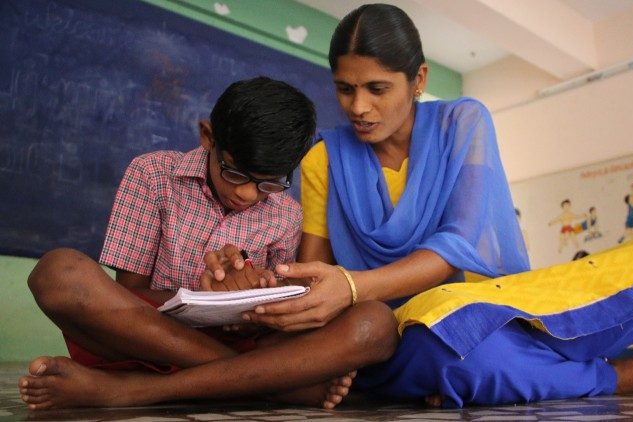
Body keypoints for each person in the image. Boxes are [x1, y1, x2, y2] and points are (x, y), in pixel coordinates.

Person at [19, 4, 633, 411]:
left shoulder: (462, 124)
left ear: (418, 79)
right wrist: (259, 295)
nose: (358, 108)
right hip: (306, 329)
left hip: (453, 303)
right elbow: (306, 271)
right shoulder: (318, 157)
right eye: (344, 88)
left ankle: (611, 376)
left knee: (434, 345)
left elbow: (462, 243)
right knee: (60, 271)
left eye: (378, 89)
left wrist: (334, 291)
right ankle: (251, 383)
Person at [18, 77, 398, 410]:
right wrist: (202, 292)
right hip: (149, 339)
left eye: (269, 183)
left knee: (377, 323)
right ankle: (269, 385)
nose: (248, 193)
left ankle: (135, 391)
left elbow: (279, 324)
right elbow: (129, 298)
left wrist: (251, 299)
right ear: (208, 137)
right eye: (234, 172)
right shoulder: (152, 175)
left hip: (249, 347)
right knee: (58, 271)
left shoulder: (286, 214)